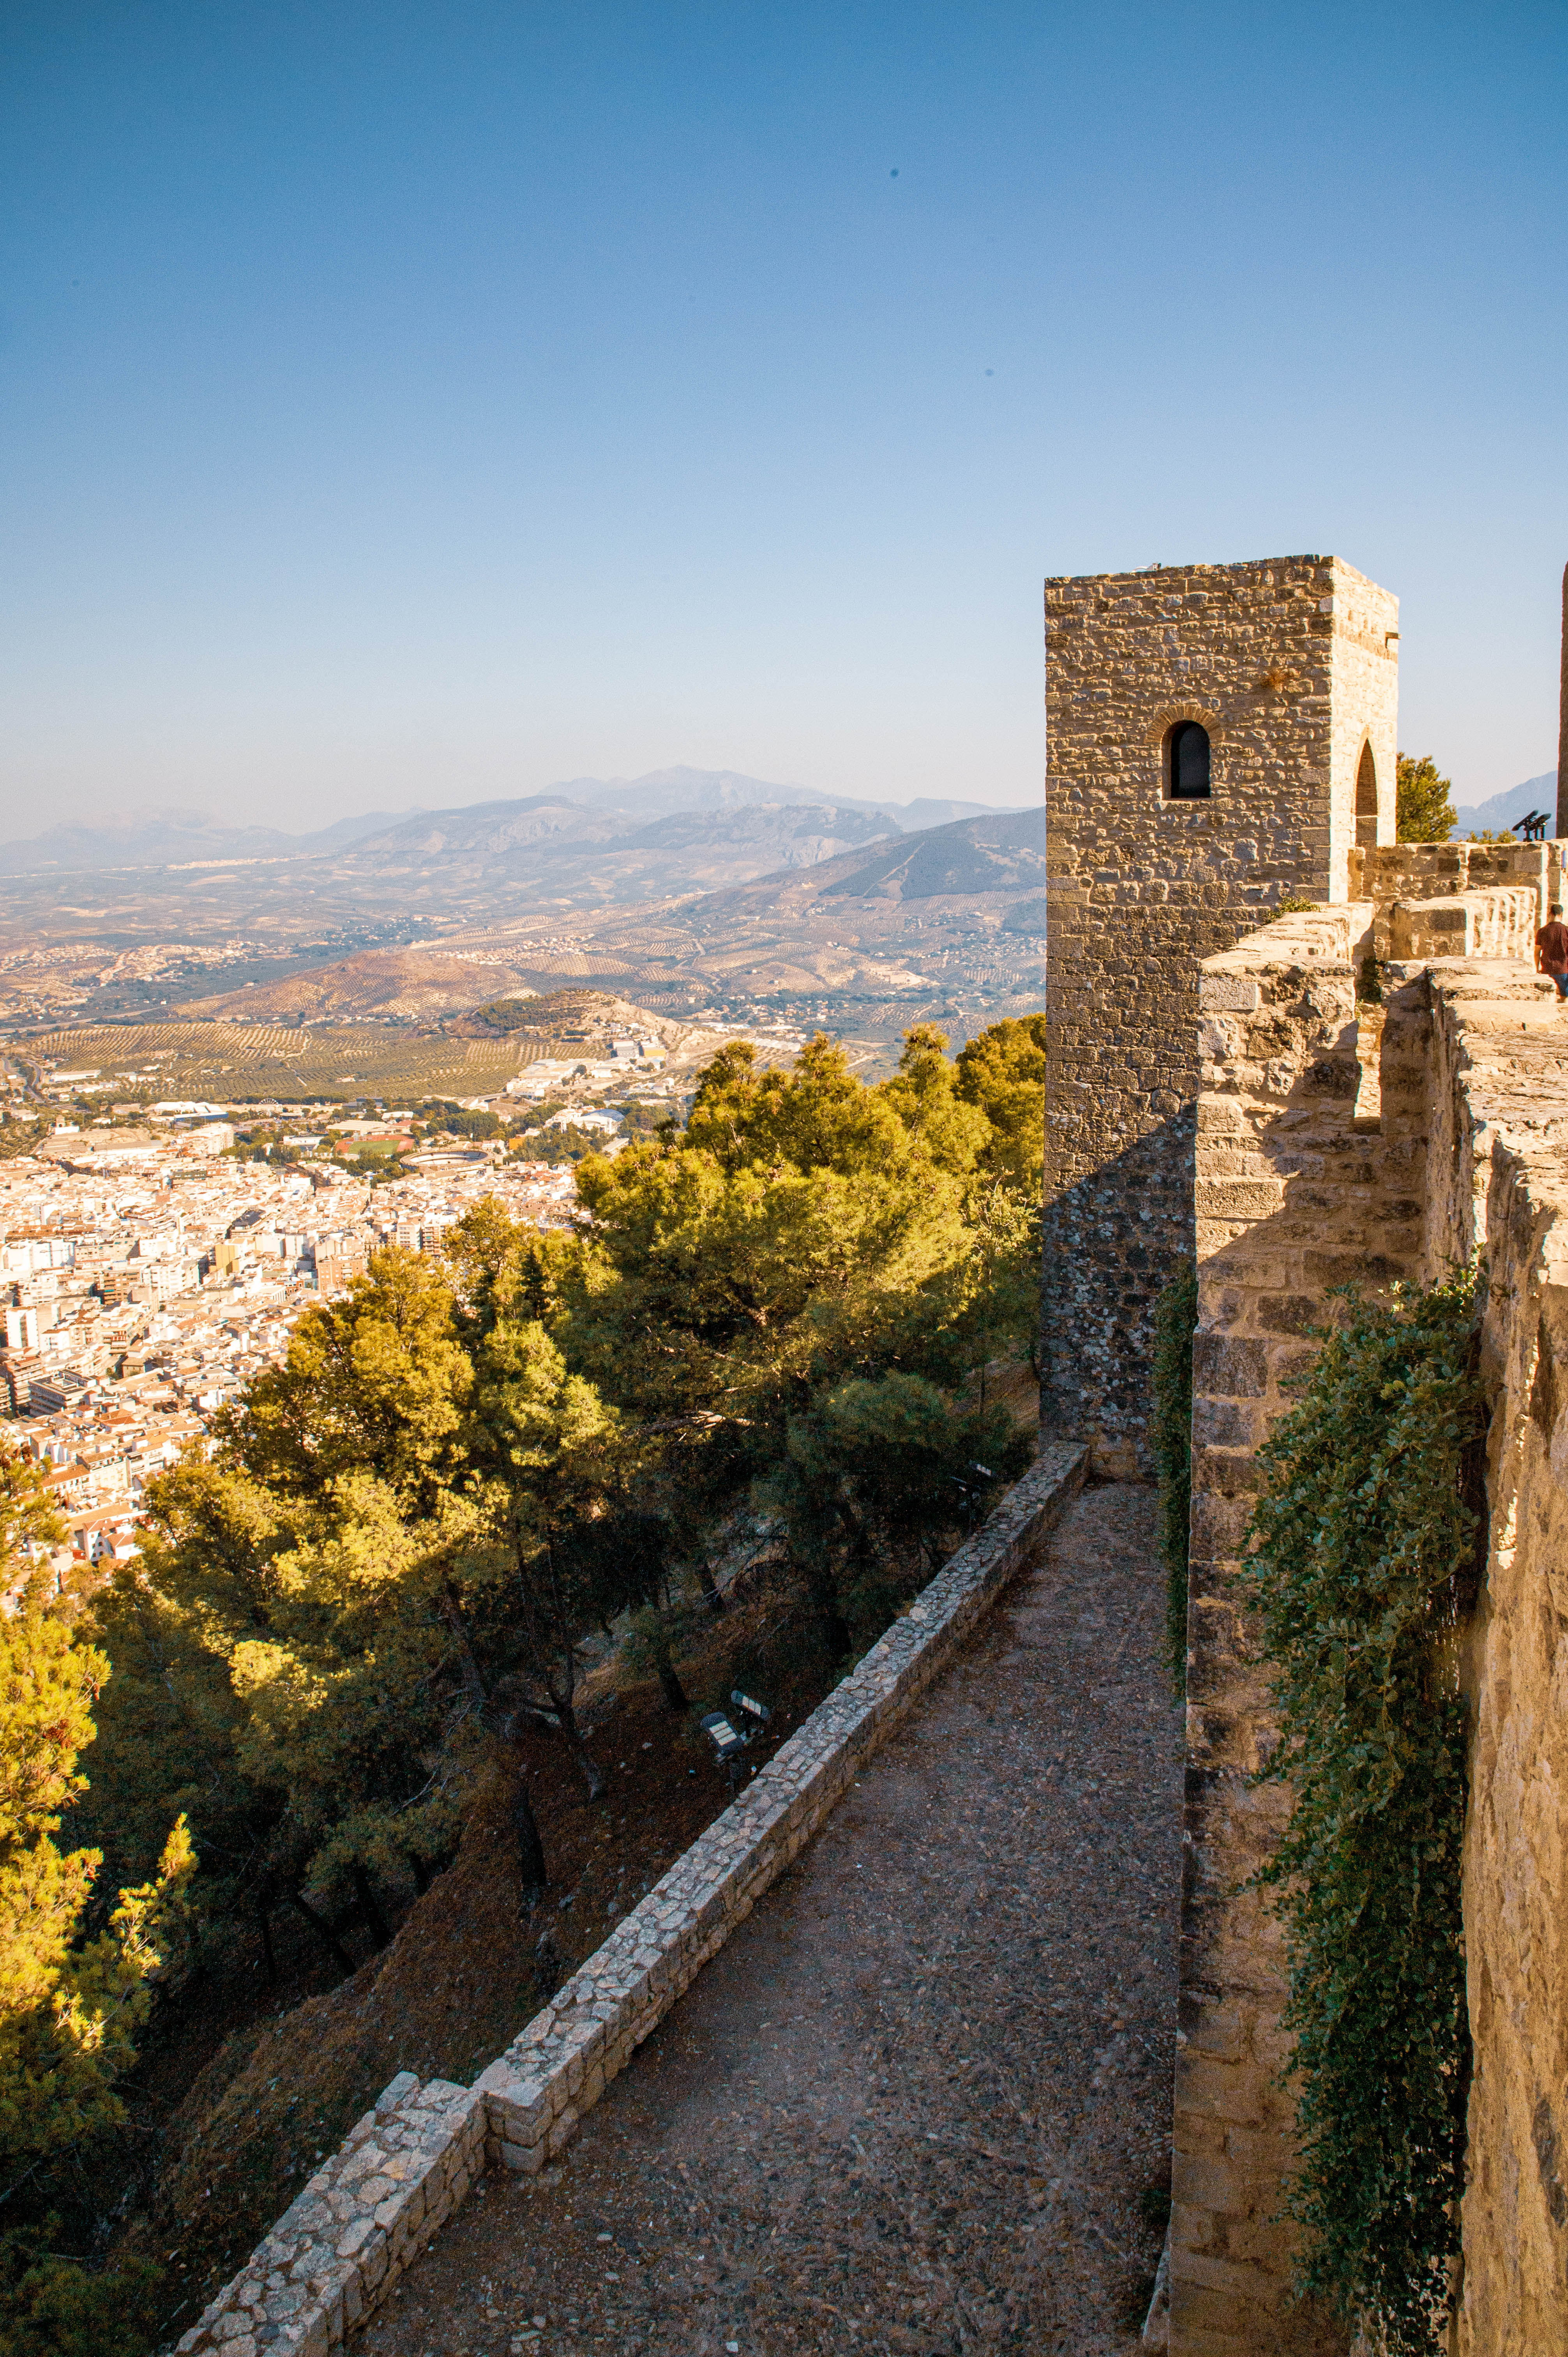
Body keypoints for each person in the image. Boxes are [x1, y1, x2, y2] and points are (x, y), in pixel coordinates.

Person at [1536, 902, 1568, 999]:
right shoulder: (1566, 931)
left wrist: (1537, 968)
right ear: (1561, 915)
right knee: (1565, 998)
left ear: (1550, 914)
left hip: (1547, 970)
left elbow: (1537, 953)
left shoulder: (1543, 931)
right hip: (1563, 970)